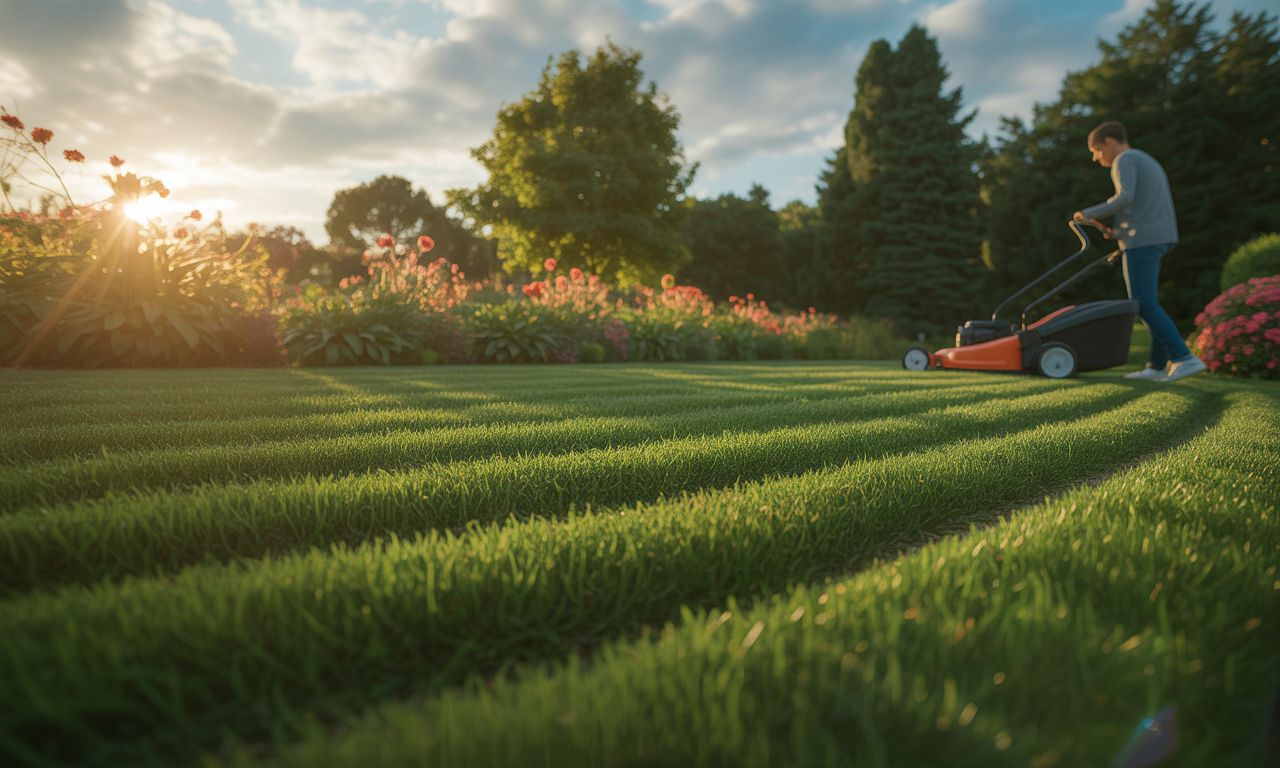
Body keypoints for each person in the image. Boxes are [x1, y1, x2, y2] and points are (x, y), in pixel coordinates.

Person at [1073, 121, 1206, 382]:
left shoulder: (1125, 159)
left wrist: (1085, 214)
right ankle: (1156, 366)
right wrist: (1117, 231)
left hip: (1142, 241)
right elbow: (1139, 206)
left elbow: (1125, 198)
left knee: (1143, 304)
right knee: (1149, 302)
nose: (1095, 157)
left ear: (1110, 141)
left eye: (1097, 150)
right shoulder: (1144, 158)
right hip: (1158, 237)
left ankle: (1183, 358)